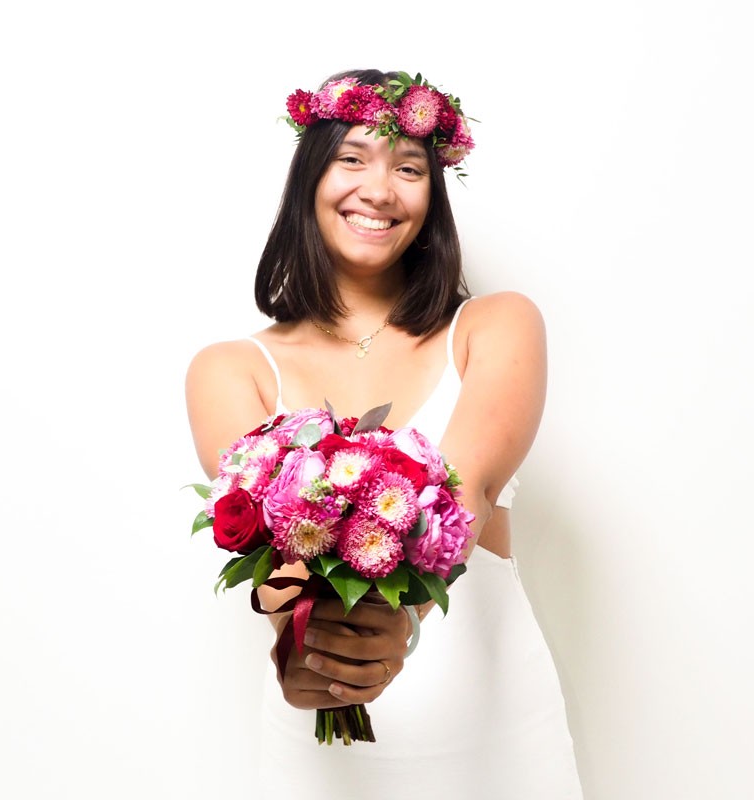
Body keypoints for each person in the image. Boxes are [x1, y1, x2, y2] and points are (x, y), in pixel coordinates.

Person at [186, 68, 582, 799]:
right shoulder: (230, 369)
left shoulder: (496, 326)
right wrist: (312, 663)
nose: (380, 190)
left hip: (495, 731)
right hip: (322, 745)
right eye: (352, 159)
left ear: (432, 196)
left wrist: (399, 628)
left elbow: (469, 492)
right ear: (310, 177)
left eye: (408, 169)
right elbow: (274, 561)